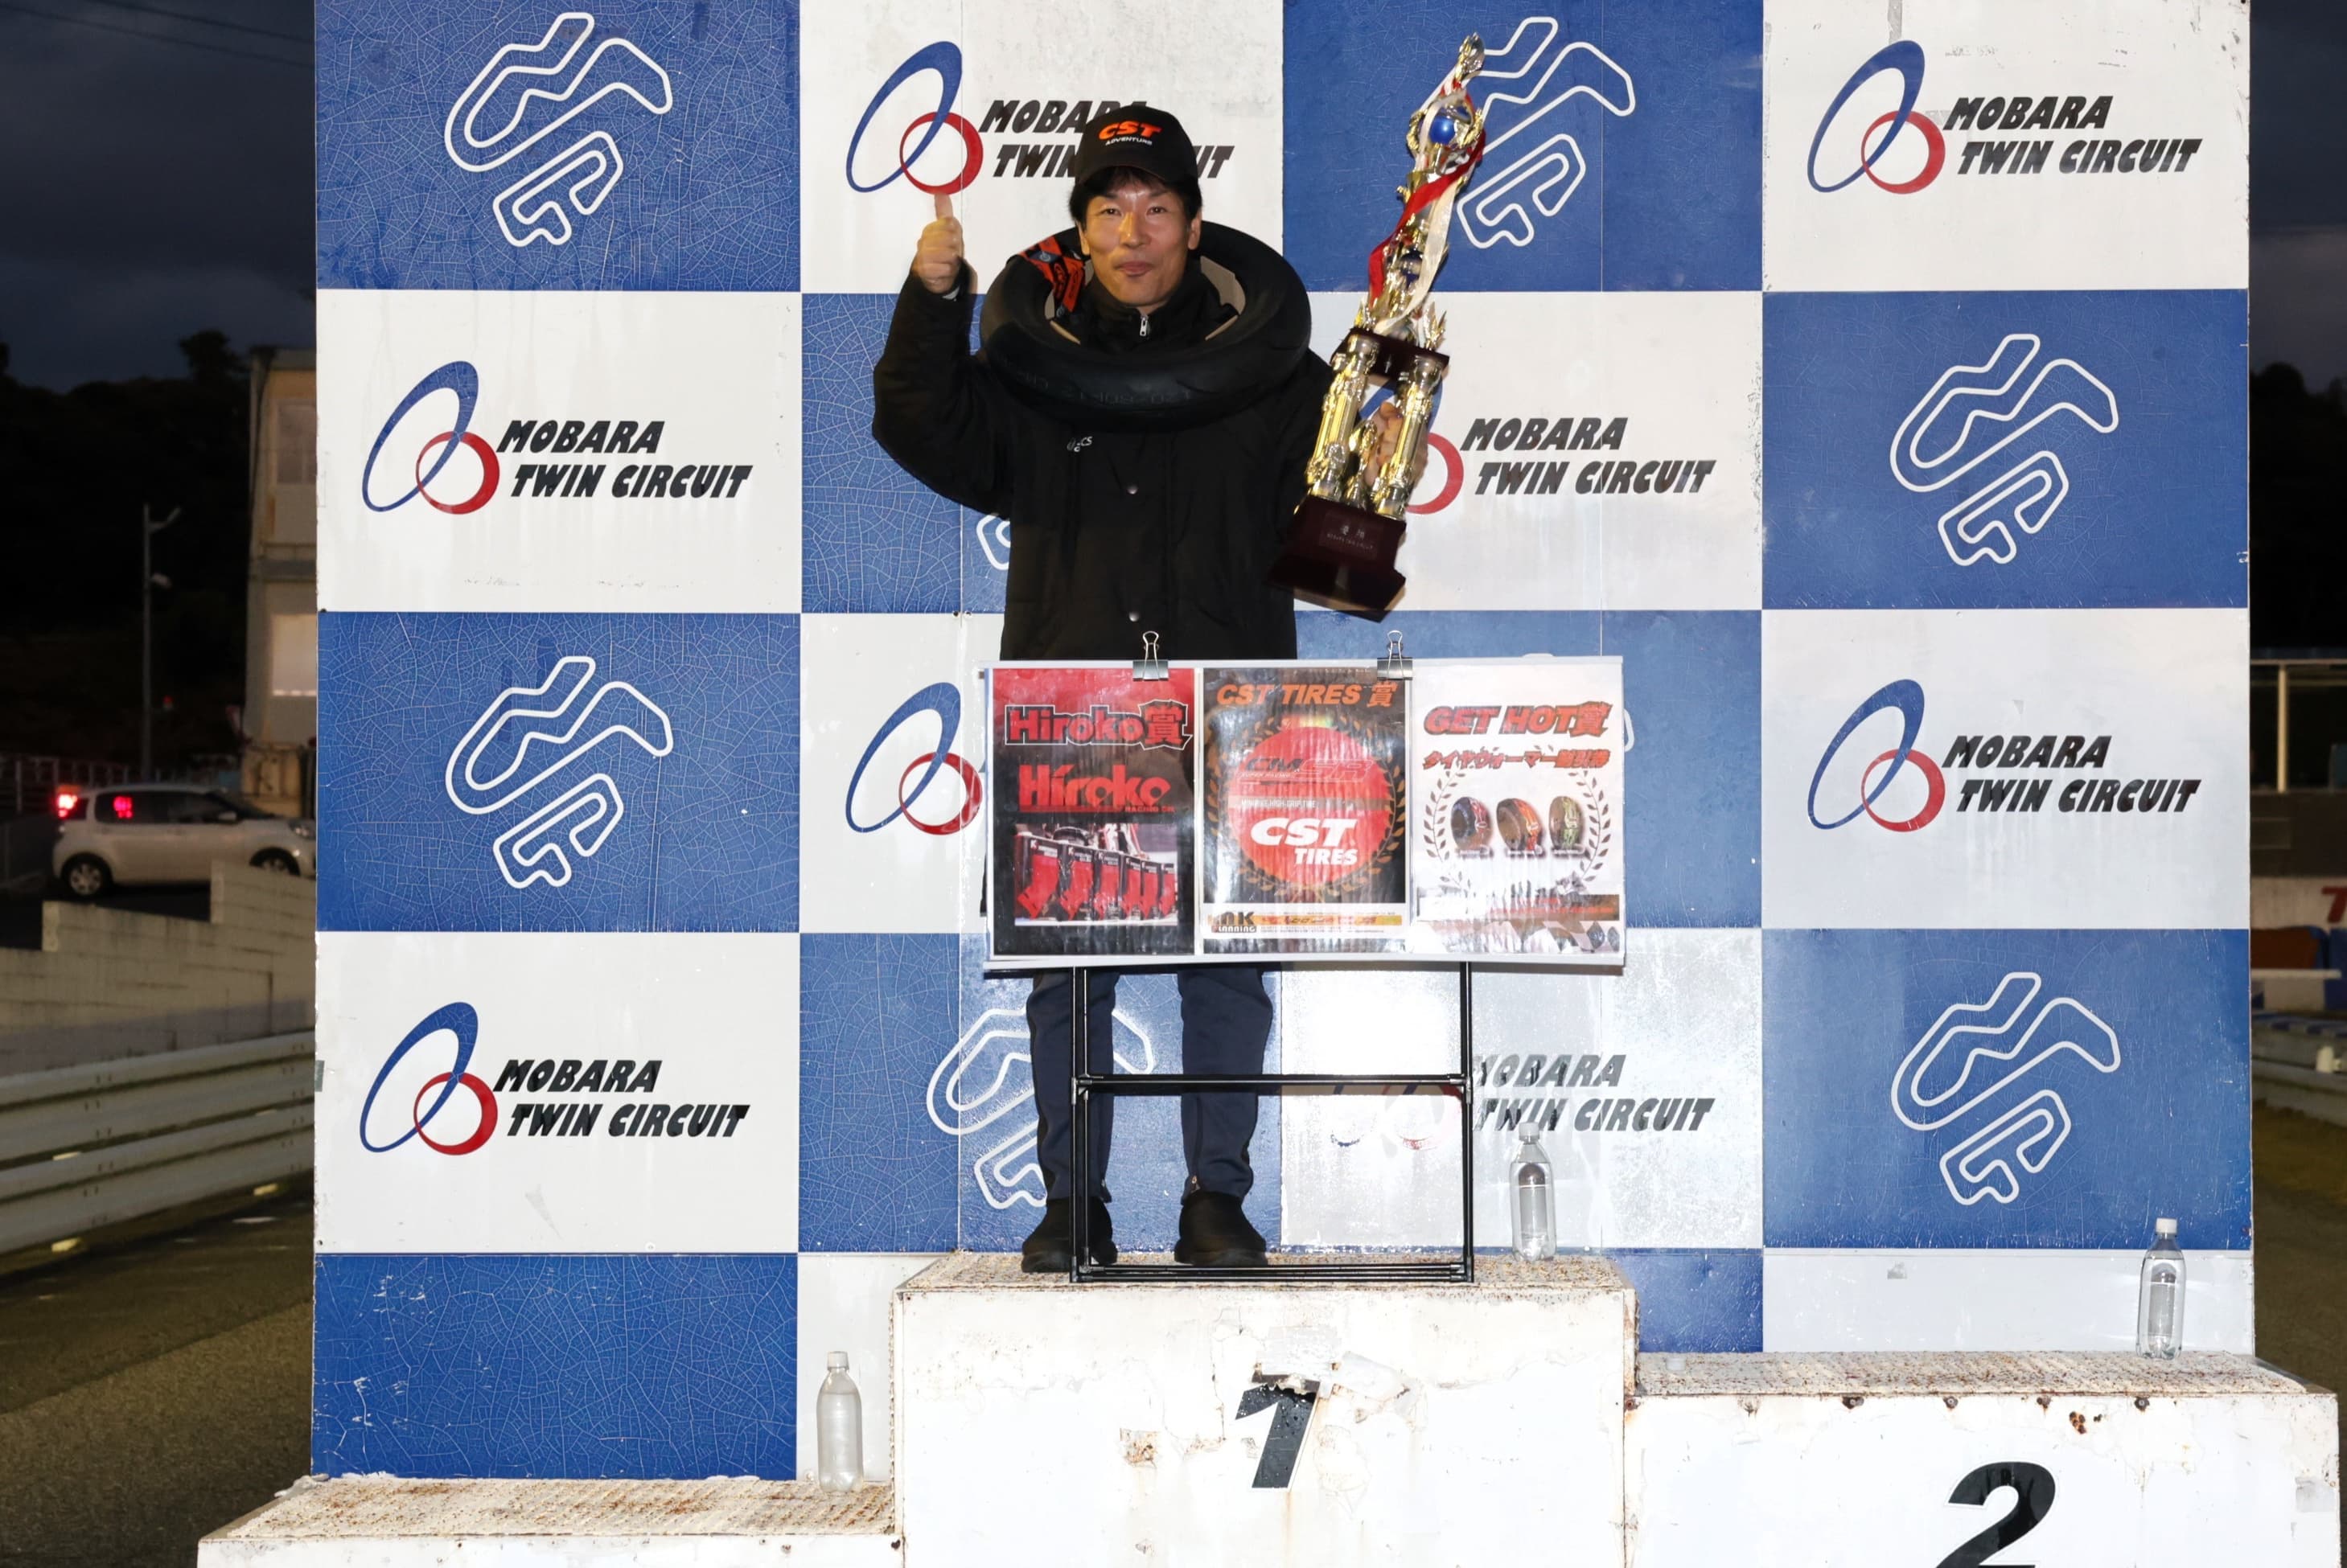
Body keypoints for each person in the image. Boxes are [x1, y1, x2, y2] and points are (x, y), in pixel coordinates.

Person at [873, 104, 1403, 1273]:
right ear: (1080, 233)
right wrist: (934, 298)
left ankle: (1217, 1201)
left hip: (1235, 707)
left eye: (1156, 207)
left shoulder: (1275, 373)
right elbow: (917, 422)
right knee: (1069, 970)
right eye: (1108, 209)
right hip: (1075, 702)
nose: (1133, 231)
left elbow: (1348, 520)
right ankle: (1076, 1205)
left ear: (1195, 226)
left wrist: (1385, 395)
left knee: (1228, 964)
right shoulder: (1032, 367)